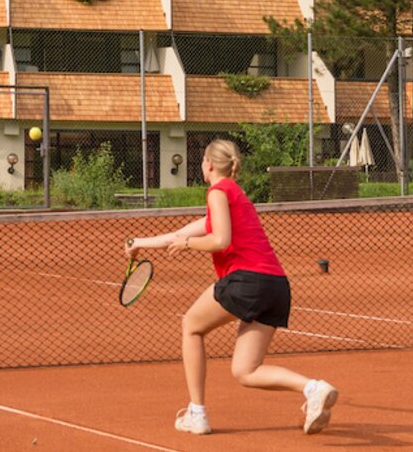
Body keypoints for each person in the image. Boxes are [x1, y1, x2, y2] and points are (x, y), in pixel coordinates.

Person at [125, 139, 337, 435]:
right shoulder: (235, 197)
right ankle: (313, 388)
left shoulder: (217, 191)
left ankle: (197, 412)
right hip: (276, 287)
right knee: (245, 371)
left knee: (191, 326)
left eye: (201, 160)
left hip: (246, 281)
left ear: (209, 165)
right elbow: (179, 233)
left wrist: (189, 244)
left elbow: (219, 240)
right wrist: (138, 244)